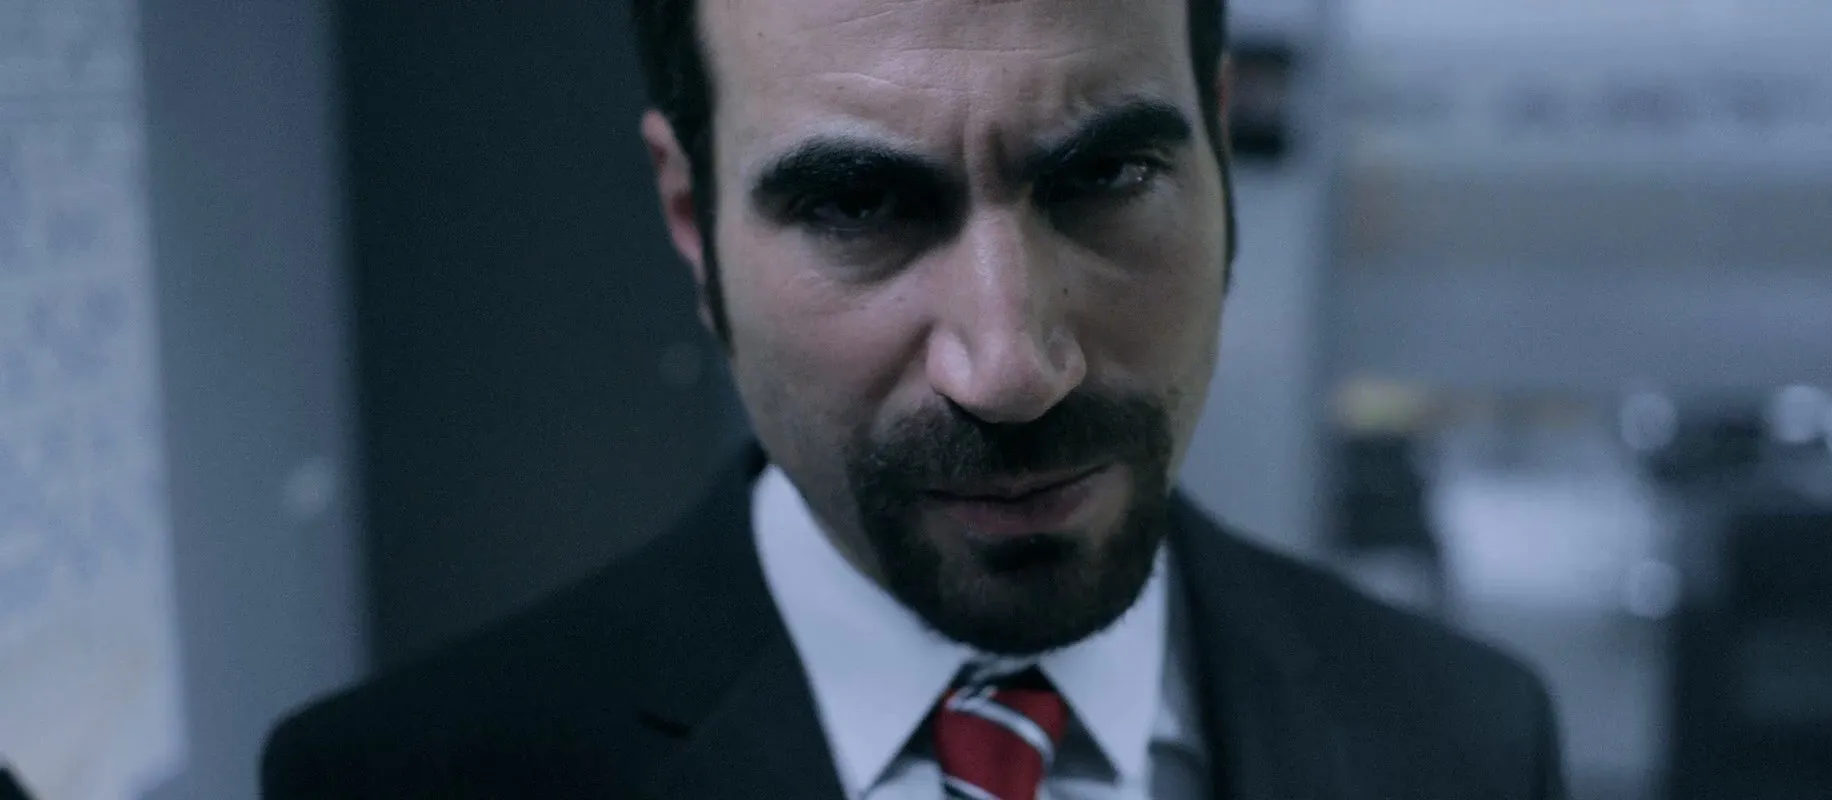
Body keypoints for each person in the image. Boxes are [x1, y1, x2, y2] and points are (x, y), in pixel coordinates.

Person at [262, 0, 1566, 797]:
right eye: (857, 203)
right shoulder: (404, 780)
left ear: (1219, 149)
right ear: (690, 220)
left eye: (1107, 176)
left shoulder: (1468, 743)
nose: (1010, 366)